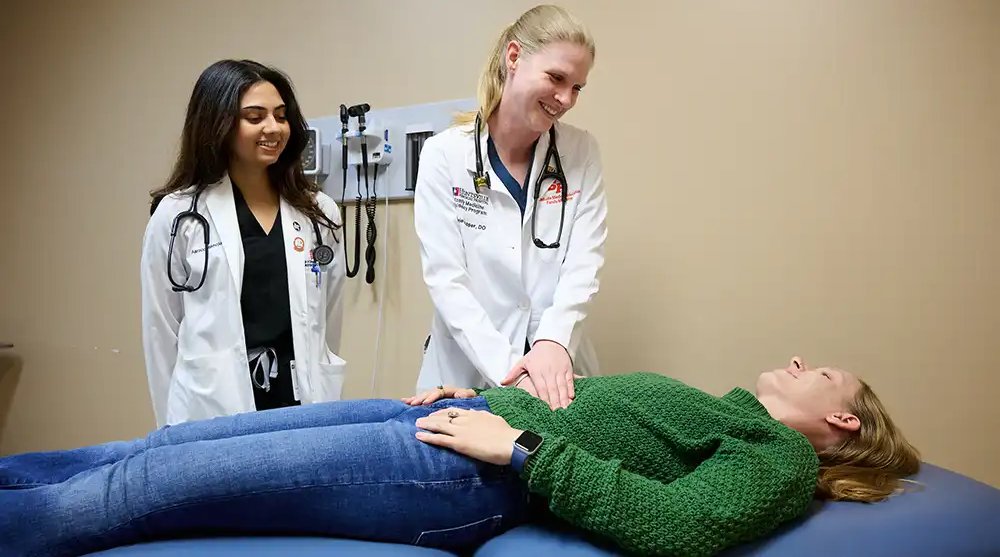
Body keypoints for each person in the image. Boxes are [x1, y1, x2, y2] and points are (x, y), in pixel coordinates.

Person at [0, 357, 920, 557]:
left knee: (153, 485)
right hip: (459, 417)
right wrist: (486, 401)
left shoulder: (779, 462)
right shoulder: (729, 411)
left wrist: (517, 447)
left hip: (467, 470)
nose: (799, 361)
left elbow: (682, 525)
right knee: (165, 442)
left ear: (840, 422)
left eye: (821, 369)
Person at [413, 5, 608, 410]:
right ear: (514, 57)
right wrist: (514, 376)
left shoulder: (580, 152)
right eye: (556, 78)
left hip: (554, 372)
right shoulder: (444, 155)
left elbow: (583, 264)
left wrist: (553, 343)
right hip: (465, 373)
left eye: (577, 87)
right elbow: (448, 281)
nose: (566, 99)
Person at [139, 59, 347, 428]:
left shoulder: (318, 212)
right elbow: (161, 332)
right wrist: (168, 436)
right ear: (218, 124)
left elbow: (328, 321)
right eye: (255, 117)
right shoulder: (178, 216)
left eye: (281, 116)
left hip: (299, 401)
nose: (273, 128)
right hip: (211, 408)